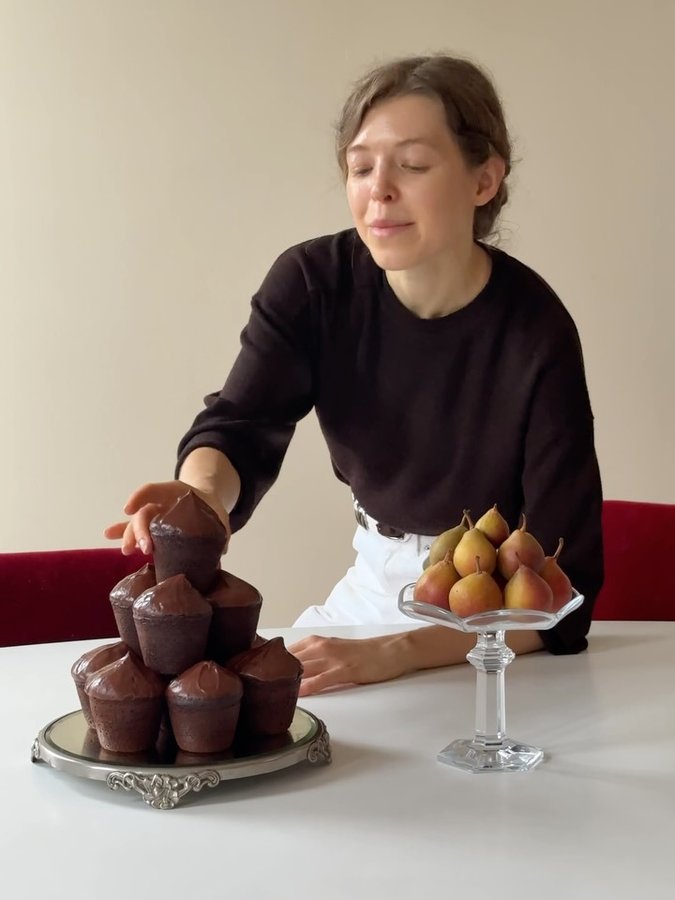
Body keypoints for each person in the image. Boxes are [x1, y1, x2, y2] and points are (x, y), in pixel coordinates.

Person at [105, 54, 603, 696]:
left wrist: (399, 652)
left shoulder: (536, 329)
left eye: (413, 165)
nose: (379, 190)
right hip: (370, 585)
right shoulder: (313, 284)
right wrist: (200, 496)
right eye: (361, 167)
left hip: (490, 619)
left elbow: (566, 596)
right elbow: (239, 426)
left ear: (484, 180)